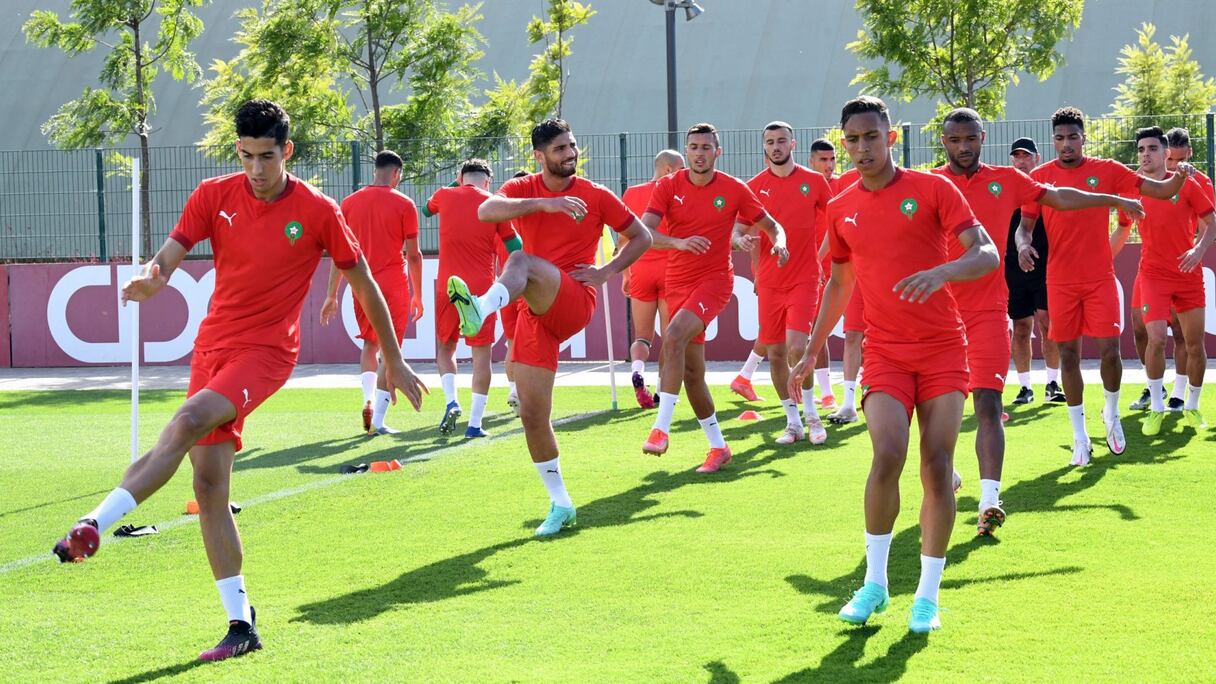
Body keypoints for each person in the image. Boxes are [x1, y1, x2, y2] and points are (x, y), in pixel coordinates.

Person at [51, 99, 427, 661]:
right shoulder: (212, 195)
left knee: (186, 419)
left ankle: (93, 524)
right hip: (213, 347)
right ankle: (241, 625)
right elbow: (171, 253)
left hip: (267, 352)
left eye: (267, 156)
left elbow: (365, 281)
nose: (257, 169)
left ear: (287, 151)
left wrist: (393, 358)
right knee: (208, 490)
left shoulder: (319, 210)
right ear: (238, 151)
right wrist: (155, 278)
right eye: (247, 156)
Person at [789, 95, 1000, 633]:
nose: (862, 148)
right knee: (887, 454)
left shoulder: (934, 189)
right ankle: (875, 585)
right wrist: (813, 351)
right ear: (844, 142)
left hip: (942, 350)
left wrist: (943, 272)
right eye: (852, 139)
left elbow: (986, 253)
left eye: (871, 137)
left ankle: (926, 595)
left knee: (935, 464)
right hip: (884, 351)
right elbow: (839, 283)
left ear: (892, 137)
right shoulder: (840, 206)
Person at [934, 108, 1144, 534]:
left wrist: (1114, 199)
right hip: (938, 313)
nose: (964, 147)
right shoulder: (930, 184)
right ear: (944, 142)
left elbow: (1060, 197)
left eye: (970, 138)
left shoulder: (1008, 179)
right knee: (942, 403)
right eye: (955, 140)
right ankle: (949, 469)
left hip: (990, 309)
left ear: (982, 137)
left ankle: (990, 501)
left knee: (989, 403)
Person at [447, 119, 651, 536]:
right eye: (560, 149)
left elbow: (642, 236)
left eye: (572, 146)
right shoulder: (526, 191)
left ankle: (480, 310)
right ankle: (561, 504)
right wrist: (542, 205)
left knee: (519, 262)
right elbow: (485, 210)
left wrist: (608, 270)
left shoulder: (595, 194)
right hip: (535, 314)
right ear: (539, 157)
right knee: (532, 414)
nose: (570, 154)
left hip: (574, 299)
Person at [1016, 106, 1191, 466]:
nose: (1067, 144)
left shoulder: (1107, 170)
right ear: (1053, 141)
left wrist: (1180, 177)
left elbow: (1158, 189)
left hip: (1099, 280)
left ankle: (1111, 414)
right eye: (1060, 138)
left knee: (1111, 352)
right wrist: (1022, 244)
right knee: (1068, 357)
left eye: (1073, 137)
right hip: (1060, 281)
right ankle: (1079, 436)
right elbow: (1024, 226)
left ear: (1084, 138)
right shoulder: (1040, 178)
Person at [641, 122, 788, 472]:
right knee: (692, 373)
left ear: (717, 152)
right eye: (693, 147)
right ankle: (719, 447)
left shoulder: (734, 189)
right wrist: (677, 242)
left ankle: (660, 428)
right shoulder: (668, 186)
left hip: (715, 281)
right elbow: (643, 231)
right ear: (686, 151)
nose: (699, 153)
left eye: (706, 147)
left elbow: (771, 224)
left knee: (673, 336)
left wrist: (780, 242)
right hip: (677, 281)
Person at [1115, 126, 1213, 434]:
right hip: (1153, 275)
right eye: (1141, 149)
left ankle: (1192, 406)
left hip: (1187, 274)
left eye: (1153, 149)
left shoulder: (1187, 183)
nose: (1146, 154)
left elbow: (1211, 222)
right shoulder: (1132, 187)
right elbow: (1119, 224)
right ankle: (1156, 407)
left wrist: (1198, 249)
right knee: (1155, 338)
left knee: (1195, 345)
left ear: (1165, 153)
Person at [320, 150, 422, 435]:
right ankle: (378, 418)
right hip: (393, 284)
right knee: (392, 352)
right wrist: (418, 294)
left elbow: (341, 254)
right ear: (396, 173)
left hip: (361, 283)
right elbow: (413, 255)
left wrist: (331, 294)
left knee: (370, 344)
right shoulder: (405, 204)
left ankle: (367, 402)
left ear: (375, 170)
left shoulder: (349, 203)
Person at [747, 121, 831, 444]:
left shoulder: (814, 182)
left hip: (805, 277)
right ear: (764, 147)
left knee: (799, 346)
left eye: (781, 141)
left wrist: (821, 258)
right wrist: (744, 252)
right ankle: (792, 421)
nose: (776, 146)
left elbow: (836, 221)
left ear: (793, 144)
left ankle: (812, 414)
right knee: (776, 352)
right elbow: (744, 231)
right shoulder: (754, 187)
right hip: (769, 281)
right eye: (770, 142)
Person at [428, 159, 523, 438]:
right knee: (482, 356)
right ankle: (474, 424)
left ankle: (451, 401)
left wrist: (452, 186)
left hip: (447, 286)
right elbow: (515, 247)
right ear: (488, 181)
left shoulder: (444, 195)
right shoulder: (495, 205)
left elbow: (426, 210)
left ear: (460, 177)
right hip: (481, 289)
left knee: (445, 349)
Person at [620, 149, 685, 408]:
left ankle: (638, 370)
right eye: (681, 168)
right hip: (671, 270)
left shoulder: (632, 194)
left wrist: (626, 273)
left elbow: (623, 238)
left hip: (640, 269)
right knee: (671, 337)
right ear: (668, 169)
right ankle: (661, 390)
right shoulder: (677, 194)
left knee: (642, 336)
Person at [1004, 138, 1064, 405]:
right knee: (1020, 327)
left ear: (1036, 158)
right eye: (1016, 156)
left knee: (1047, 323)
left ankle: (1052, 382)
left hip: (1045, 264)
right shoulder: (1004, 190)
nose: (1021, 161)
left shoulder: (1045, 188)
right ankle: (1025, 387)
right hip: (1013, 267)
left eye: (1026, 156)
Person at [498, 170, 532, 413]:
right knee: (532, 341)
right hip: (530, 284)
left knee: (512, 341)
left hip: (505, 284)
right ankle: (521, 390)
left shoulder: (500, 220)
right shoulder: (536, 216)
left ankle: (514, 388)